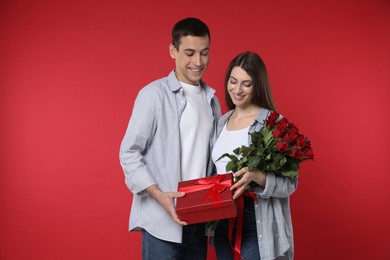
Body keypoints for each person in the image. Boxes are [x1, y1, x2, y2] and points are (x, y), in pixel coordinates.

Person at [119, 17, 221, 260]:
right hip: (161, 224)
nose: (198, 62)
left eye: (204, 53)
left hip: (199, 223)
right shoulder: (153, 95)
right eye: (190, 53)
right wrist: (158, 194)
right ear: (173, 51)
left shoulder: (213, 101)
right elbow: (129, 153)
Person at [211, 51, 297, 260]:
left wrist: (257, 176)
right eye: (233, 81)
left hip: (255, 217)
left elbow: (291, 184)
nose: (237, 90)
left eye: (246, 84)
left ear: (257, 85)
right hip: (222, 216)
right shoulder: (220, 123)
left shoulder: (273, 123)